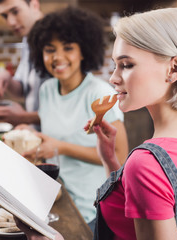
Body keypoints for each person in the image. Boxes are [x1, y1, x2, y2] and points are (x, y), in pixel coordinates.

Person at [17, 7, 177, 240]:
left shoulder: (145, 163)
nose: (113, 78)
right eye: (115, 64)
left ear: (174, 68)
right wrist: (110, 162)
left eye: (127, 65)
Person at [22, 6, 129, 230]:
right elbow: (53, 136)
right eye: (49, 50)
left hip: (89, 208)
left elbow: (120, 157)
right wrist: (31, 136)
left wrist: (59, 147)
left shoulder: (99, 94)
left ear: (83, 51)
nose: (57, 57)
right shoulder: (48, 89)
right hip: (53, 200)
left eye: (68, 48)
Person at [0, 0, 45, 127]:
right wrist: (7, 77)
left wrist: (24, 117)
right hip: (37, 136)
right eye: (5, 16)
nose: (10, 22)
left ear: (34, 5)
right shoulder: (27, 40)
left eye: (15, 11)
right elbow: (23, 89)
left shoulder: (56, 41)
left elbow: (70, 110)